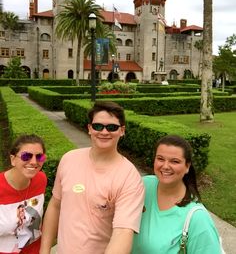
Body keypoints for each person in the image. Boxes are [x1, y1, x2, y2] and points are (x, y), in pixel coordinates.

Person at [40, 101, 145, 254]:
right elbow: (56, 204)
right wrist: (44, 249)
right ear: (89, 128)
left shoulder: (129, 178)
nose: (104, 132)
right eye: (97, 126)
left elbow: (123, 232)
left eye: (111, 127)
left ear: (122, 131)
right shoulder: (69, 159)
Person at [132, 135, 222, 254]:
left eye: (175, 161)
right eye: (160, 159)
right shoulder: (142, 186)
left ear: (187, 167)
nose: (165, 166)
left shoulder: (198, 219)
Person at [0, 134, 47, 254]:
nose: (33, 162)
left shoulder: (40, 179)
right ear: (13, 159)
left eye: (39, 157)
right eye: (26, 156)